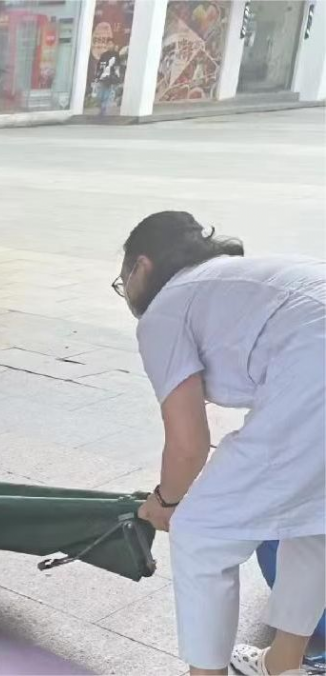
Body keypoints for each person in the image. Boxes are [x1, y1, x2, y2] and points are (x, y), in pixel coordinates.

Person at [119, 212, 325, 676]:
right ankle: (282, 665)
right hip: (311, 372)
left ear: (142, 266)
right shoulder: (232, 278)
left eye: (123, 279)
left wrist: (165, 502)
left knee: (201, 535)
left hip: (316, 377)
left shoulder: (165, 308)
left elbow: (188, 442)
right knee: (315, 522)